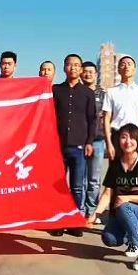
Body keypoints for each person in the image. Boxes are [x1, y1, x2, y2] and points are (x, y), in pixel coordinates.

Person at [88, 123, 138, 272]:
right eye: (124, 137)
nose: (128, 141)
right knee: (109, 238)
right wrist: (95, 215)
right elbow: (107, 194)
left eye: (132, 138)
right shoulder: (115, 165)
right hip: (123, 214)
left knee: (124, 206)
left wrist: (127, 198)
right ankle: (134, 236)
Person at [50, 54, 96, 237]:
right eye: (70, 65)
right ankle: (58, 221)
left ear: (81, 69)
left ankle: (74, 221)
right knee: (59, 186)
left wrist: (89, 142)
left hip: (79, 146)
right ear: (64, 67)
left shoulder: (87, 93)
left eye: (77, 65)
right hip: (57, 146)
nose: (73, 68)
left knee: (77, 187)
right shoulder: (56, 90)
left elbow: (92, 120)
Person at [102, 56, 138, 162]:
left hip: (137, 136)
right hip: (117, 136)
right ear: (118, 69)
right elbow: (106, 119)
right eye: (123, 64)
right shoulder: (111, 92)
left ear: (134, 69)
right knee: (116, 169)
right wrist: (109, 143)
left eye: (129, 64)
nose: (126, 67)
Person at [80, 61, 107, 221]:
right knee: (80, 179)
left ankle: (91, 211)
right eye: (85, 71)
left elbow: (106, 116)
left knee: (94, 179)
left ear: (96, 74)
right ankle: (80, 209)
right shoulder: (77, 92)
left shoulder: (103, 94)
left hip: (97, 140)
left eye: (91, 72)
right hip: (79, 140)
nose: (88, 74)